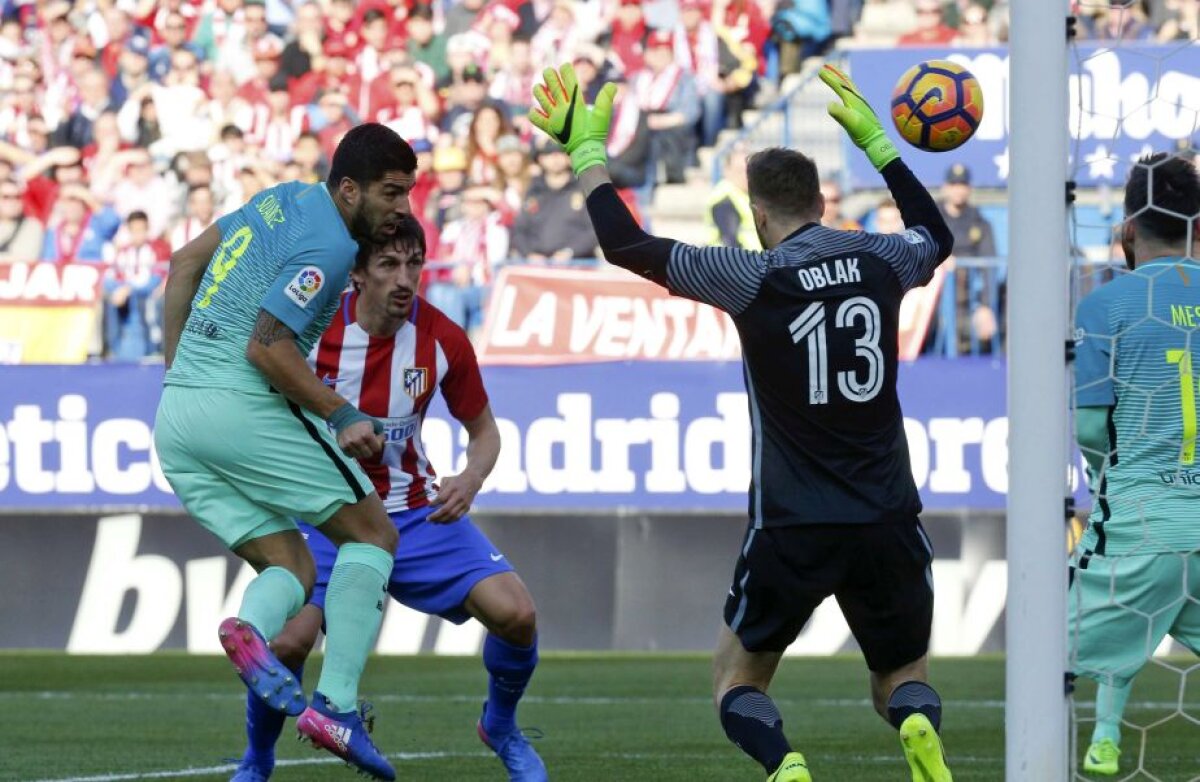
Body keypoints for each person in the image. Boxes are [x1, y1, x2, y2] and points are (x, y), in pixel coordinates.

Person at [528, 62, 955, 782]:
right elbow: (935, 236)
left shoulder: (751, 275)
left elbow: (624, 244)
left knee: (737, 679)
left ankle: (785, 765)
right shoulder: (879, 257)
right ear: (822, 200)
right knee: (901, 676)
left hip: (793, 522)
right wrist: (881, 148)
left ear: (757, 213)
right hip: (887, 512)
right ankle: (915, 723)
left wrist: (588, 153)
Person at [231, 216, 547, 782]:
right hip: (328, 516)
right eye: (388, 264)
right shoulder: (313, 331)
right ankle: (257, 760)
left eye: (414, 264)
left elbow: (485, 432)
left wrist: (470, 478)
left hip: (415, 513)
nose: (405, 279)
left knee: (517, 615)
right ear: (356, 273)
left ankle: (500, 726)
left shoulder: (442, 338)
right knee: (287, 644)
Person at [153, 123, 416, 781]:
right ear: (349, 189)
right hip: (241, 404)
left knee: (293, 568)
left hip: (178, 418)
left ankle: (248, 630)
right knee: (373, 535)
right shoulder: (330, 244)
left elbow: (183, 263)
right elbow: (267, 345)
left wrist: (178, 372)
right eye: (391, 193)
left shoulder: (279, 199)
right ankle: (337, 707)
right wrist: (340, 411)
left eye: (407, 193)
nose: (402, 208)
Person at [1070, 152, 1200, 777]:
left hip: (1145, 512)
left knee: (1056, 639)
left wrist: (1106, 476)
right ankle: (1106, 736)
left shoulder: (1106, 305)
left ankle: (1101, 737)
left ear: (1126, 231)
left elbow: (1092, 427)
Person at [704, 143, 761, 250]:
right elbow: (730, 241)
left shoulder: (749, 195)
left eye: (749, 171)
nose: (746, 176)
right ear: (727, 171)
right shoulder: (724, 200)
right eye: (740, 171)